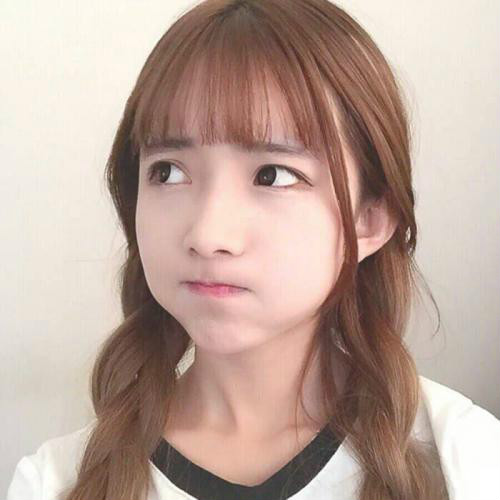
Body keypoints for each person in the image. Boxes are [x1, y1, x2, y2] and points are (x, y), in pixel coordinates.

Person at [6, 0, 500, 499]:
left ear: (370, 217)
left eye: (272, 175)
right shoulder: (55, 483)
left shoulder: (468, 462)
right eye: (168, 171)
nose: (207, 234)